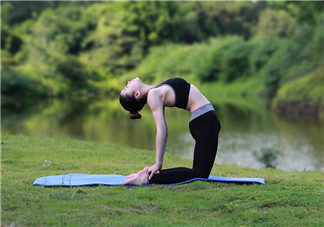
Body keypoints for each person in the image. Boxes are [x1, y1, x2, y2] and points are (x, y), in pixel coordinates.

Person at [119, 77, 221, 185]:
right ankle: (146, 179)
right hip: (205, 122)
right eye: (127, 87)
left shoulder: (155, 91)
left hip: (205, 121)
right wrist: (158, 163)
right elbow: (162, 129)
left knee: (199, 172)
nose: (128, 82)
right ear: (137, 95)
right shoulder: (153, 95)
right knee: (200, 174)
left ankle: (147, 176)